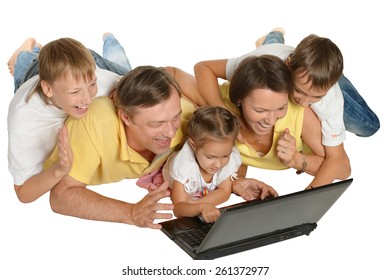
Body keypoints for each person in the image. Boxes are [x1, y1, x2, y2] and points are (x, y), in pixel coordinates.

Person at [166, 54, 351, 190]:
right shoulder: (221, 107)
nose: (270, 120)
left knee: (365, 123)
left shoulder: (300, 112)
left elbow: (343, 169)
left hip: (331, 92)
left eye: (280, 108)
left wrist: (296, 159)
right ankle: (270, 40)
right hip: (267, 58)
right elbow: (170, 74)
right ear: (239, 100)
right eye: (260, 110)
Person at [7, 33, 131, 203]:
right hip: (31, 78)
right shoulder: (25, 121)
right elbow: (23, 193)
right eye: (75, 92)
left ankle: (109, 38)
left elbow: (149, 82)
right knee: (23, 66)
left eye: (92, 85)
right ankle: (27, 50)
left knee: (129, 75)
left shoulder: (96, 78)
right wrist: (59, 169)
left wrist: (123, 90)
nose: (88, 100)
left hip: (75, 68)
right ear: (48, 89)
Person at [163, 105, 245, 223]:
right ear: (193, 145)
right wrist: (201, 208)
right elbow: (178, 208)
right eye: (210, 157)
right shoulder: (184, 167)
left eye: (225, 156)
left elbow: (225, 191)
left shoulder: (227, 154)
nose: (218, 164)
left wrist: (197, 203)